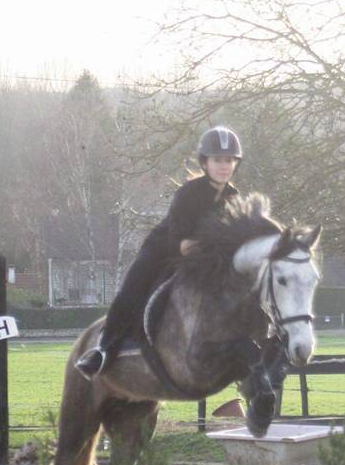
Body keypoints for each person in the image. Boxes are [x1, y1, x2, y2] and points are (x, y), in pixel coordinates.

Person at [75, 125, 243, 378]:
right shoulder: (188, 193)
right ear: (205, 162)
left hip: (205, 260)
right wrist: (218, 245)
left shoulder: (234, 197)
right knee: (132, 290)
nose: (224, 166)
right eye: (218, 160)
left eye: (229, 160)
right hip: (163, 251)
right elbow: (183, 245)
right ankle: (103, 350)